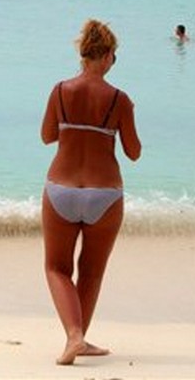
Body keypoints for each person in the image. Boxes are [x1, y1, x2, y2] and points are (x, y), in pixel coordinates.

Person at [40, 20, 141, 365]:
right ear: (108, 55)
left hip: (61, 189)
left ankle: (75, 336)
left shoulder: (60, 90)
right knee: (92, 271)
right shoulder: (119, 99)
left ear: (83, 54)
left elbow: (47, 136)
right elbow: (133, 151)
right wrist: (124, 118)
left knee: (56, 268)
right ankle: (78, 338)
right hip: (105, 193)